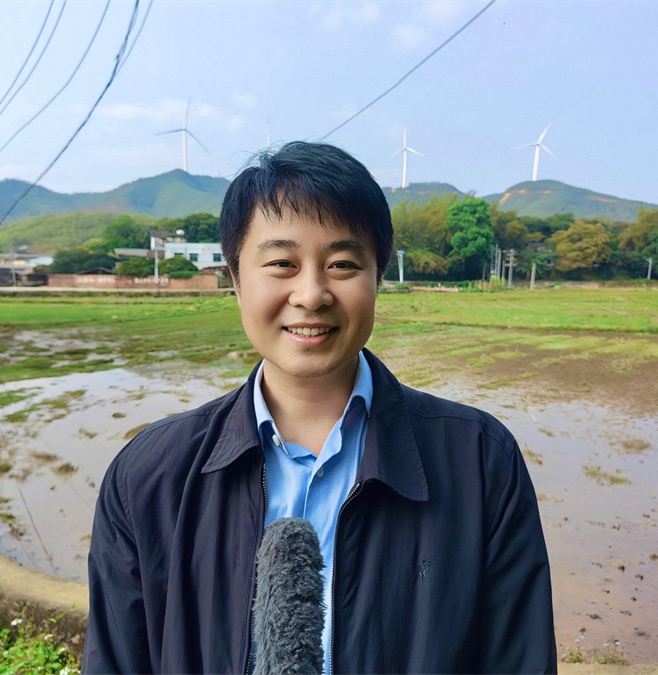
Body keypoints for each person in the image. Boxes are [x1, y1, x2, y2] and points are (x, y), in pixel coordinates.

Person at [83, 141, 556, 674]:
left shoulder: (481, 462)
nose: (311, 294)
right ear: (235, 278)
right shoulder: (147, 477)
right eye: (281, 263)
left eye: (342, 264)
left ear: (378, 276)